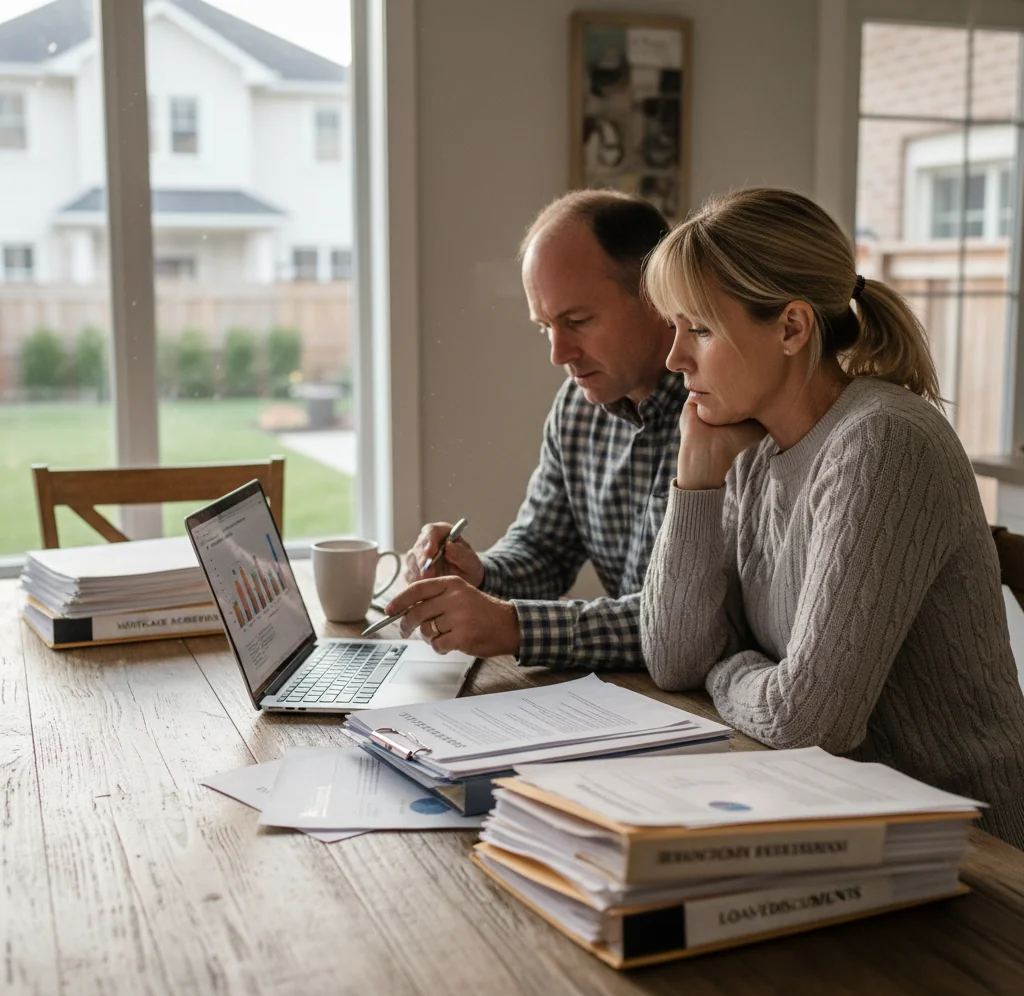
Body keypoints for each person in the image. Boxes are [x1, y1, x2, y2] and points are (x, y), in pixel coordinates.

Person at [640, 186, 1024, 848]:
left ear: (792, 328)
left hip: (967, 846)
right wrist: (696, 481)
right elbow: (674, 659)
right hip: (834, 817)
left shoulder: (882, 441)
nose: (674, 359)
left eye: (698, 328)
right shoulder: (757, 449)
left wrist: (726, 668)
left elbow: (811, 722)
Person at [383, 190, 684, 668]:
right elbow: (543, 547)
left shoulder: (723, 414)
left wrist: (513, 625)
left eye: (578, 321)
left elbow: (681, 627)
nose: (558, 354)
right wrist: (478, 573)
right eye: (545, 326)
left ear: (659, 298)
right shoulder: (577, 407)